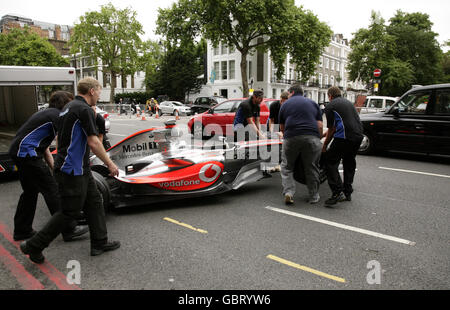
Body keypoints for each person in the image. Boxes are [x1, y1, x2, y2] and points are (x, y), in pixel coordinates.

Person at [20, 77, 120, 264]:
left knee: (95, 202)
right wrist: (110, 164)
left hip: (77, 166)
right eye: (99, 91)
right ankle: (34, 245)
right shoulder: (83, 109)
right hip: (72, 169)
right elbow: (93, 141)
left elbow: (60, 139)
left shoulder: (68, 107)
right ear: (91, 91)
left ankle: (99, 242)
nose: (99, 95)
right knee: (69, 212)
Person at [9, 91, 88, 242]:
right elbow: (69, 137)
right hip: (28, 154)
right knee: (52, 189)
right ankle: (68, 229)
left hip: (20, 152)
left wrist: (54, 168)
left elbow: (44, 146)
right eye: (70, 103)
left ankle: (22, 230)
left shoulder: (47, 114)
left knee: (30, 192)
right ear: (65, 103)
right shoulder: (56, 116)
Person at [279, 84, 323, 205]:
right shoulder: (313, 103)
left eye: (288, 93)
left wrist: (287, 137)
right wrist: (317, 139)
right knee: (311, 166)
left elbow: (282, 127)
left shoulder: (285, 104)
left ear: (291, 93)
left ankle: (288, 193)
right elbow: (319, 125)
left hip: (291, 136)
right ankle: (314, 196)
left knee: (287, 166)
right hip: (312, 137)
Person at [322, 86, 363, 206]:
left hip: (345, 137)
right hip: (358, 136)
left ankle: (337, 192)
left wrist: (325, 145)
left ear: (329, 96)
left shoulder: (330, 106)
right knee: (349, 162)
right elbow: (337, 126)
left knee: (329, 161)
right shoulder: (348, 103)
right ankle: (347, 192)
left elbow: (332, 128)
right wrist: (324, 135)